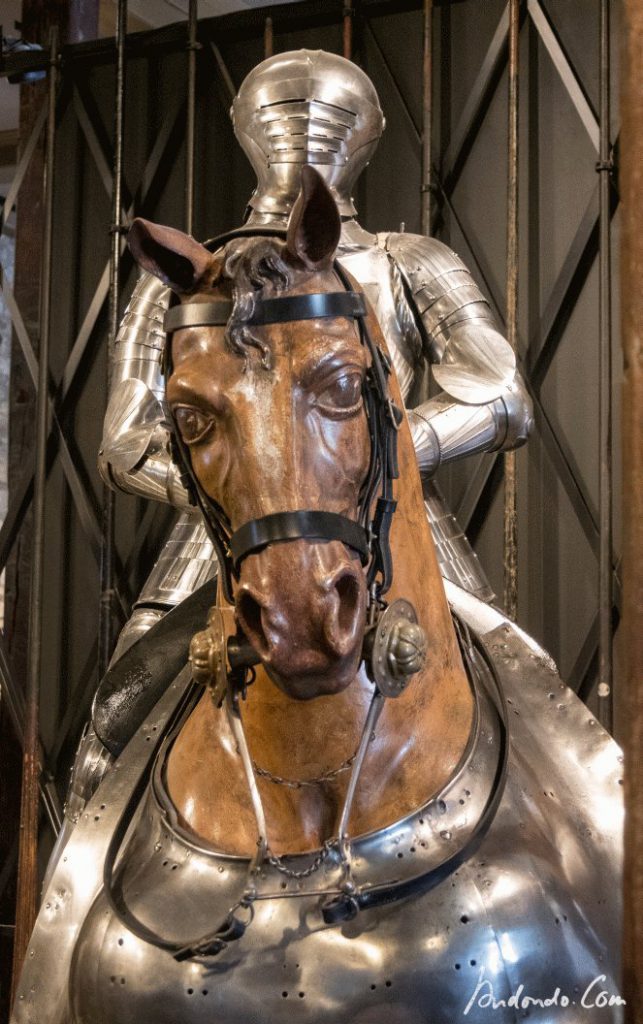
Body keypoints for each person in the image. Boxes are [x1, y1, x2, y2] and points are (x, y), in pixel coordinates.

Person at [63, 49, 532, 836]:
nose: (310, 134)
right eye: (287, 119)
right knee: (109, 739)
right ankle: (75, 895)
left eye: (333, 119)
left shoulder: (409, 260)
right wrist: (252, 481)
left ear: (364, 135)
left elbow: (501, 393)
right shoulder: (182, 278)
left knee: (534, 716)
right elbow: (125, 440)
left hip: (393, 530)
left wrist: (377, 451)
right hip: (218, 545)